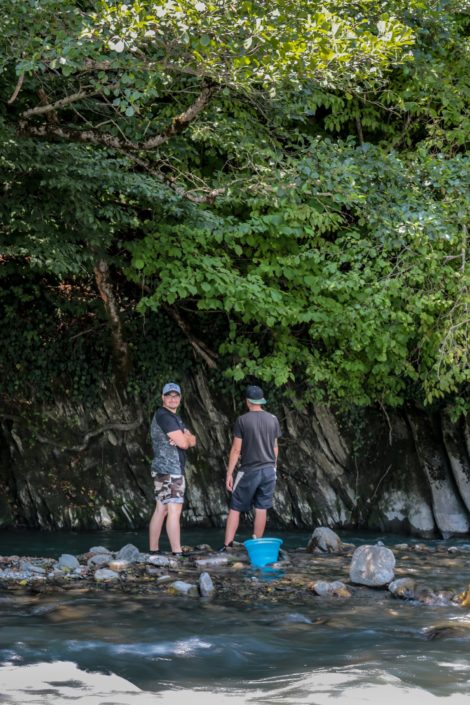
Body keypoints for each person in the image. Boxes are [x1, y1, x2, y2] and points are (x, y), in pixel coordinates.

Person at [220, 385, 281, 551]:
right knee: (262, 508)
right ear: (261, 401)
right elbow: (275, 447)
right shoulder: (273, 419)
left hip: (249, 470)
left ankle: (228, 545)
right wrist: (273, 466)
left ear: (247, 401)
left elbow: (236, 449)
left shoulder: (242, 420)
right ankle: (257, 545)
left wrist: (229, 473)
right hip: (269, 470)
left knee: (235, 506)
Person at [148, 382, 196, 555]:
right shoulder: (165, 416)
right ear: (163, 398)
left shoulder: (172, 417)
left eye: (176, 396)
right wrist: (185, 438)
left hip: (162, 468)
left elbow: (192, 439)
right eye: (169, 396)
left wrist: (186, 437)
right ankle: (177, 552)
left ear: (180, 398)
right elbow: (185, 443)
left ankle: (154, 551)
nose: (173, 399)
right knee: (174, 509)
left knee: (161, 508)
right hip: (171, 469)